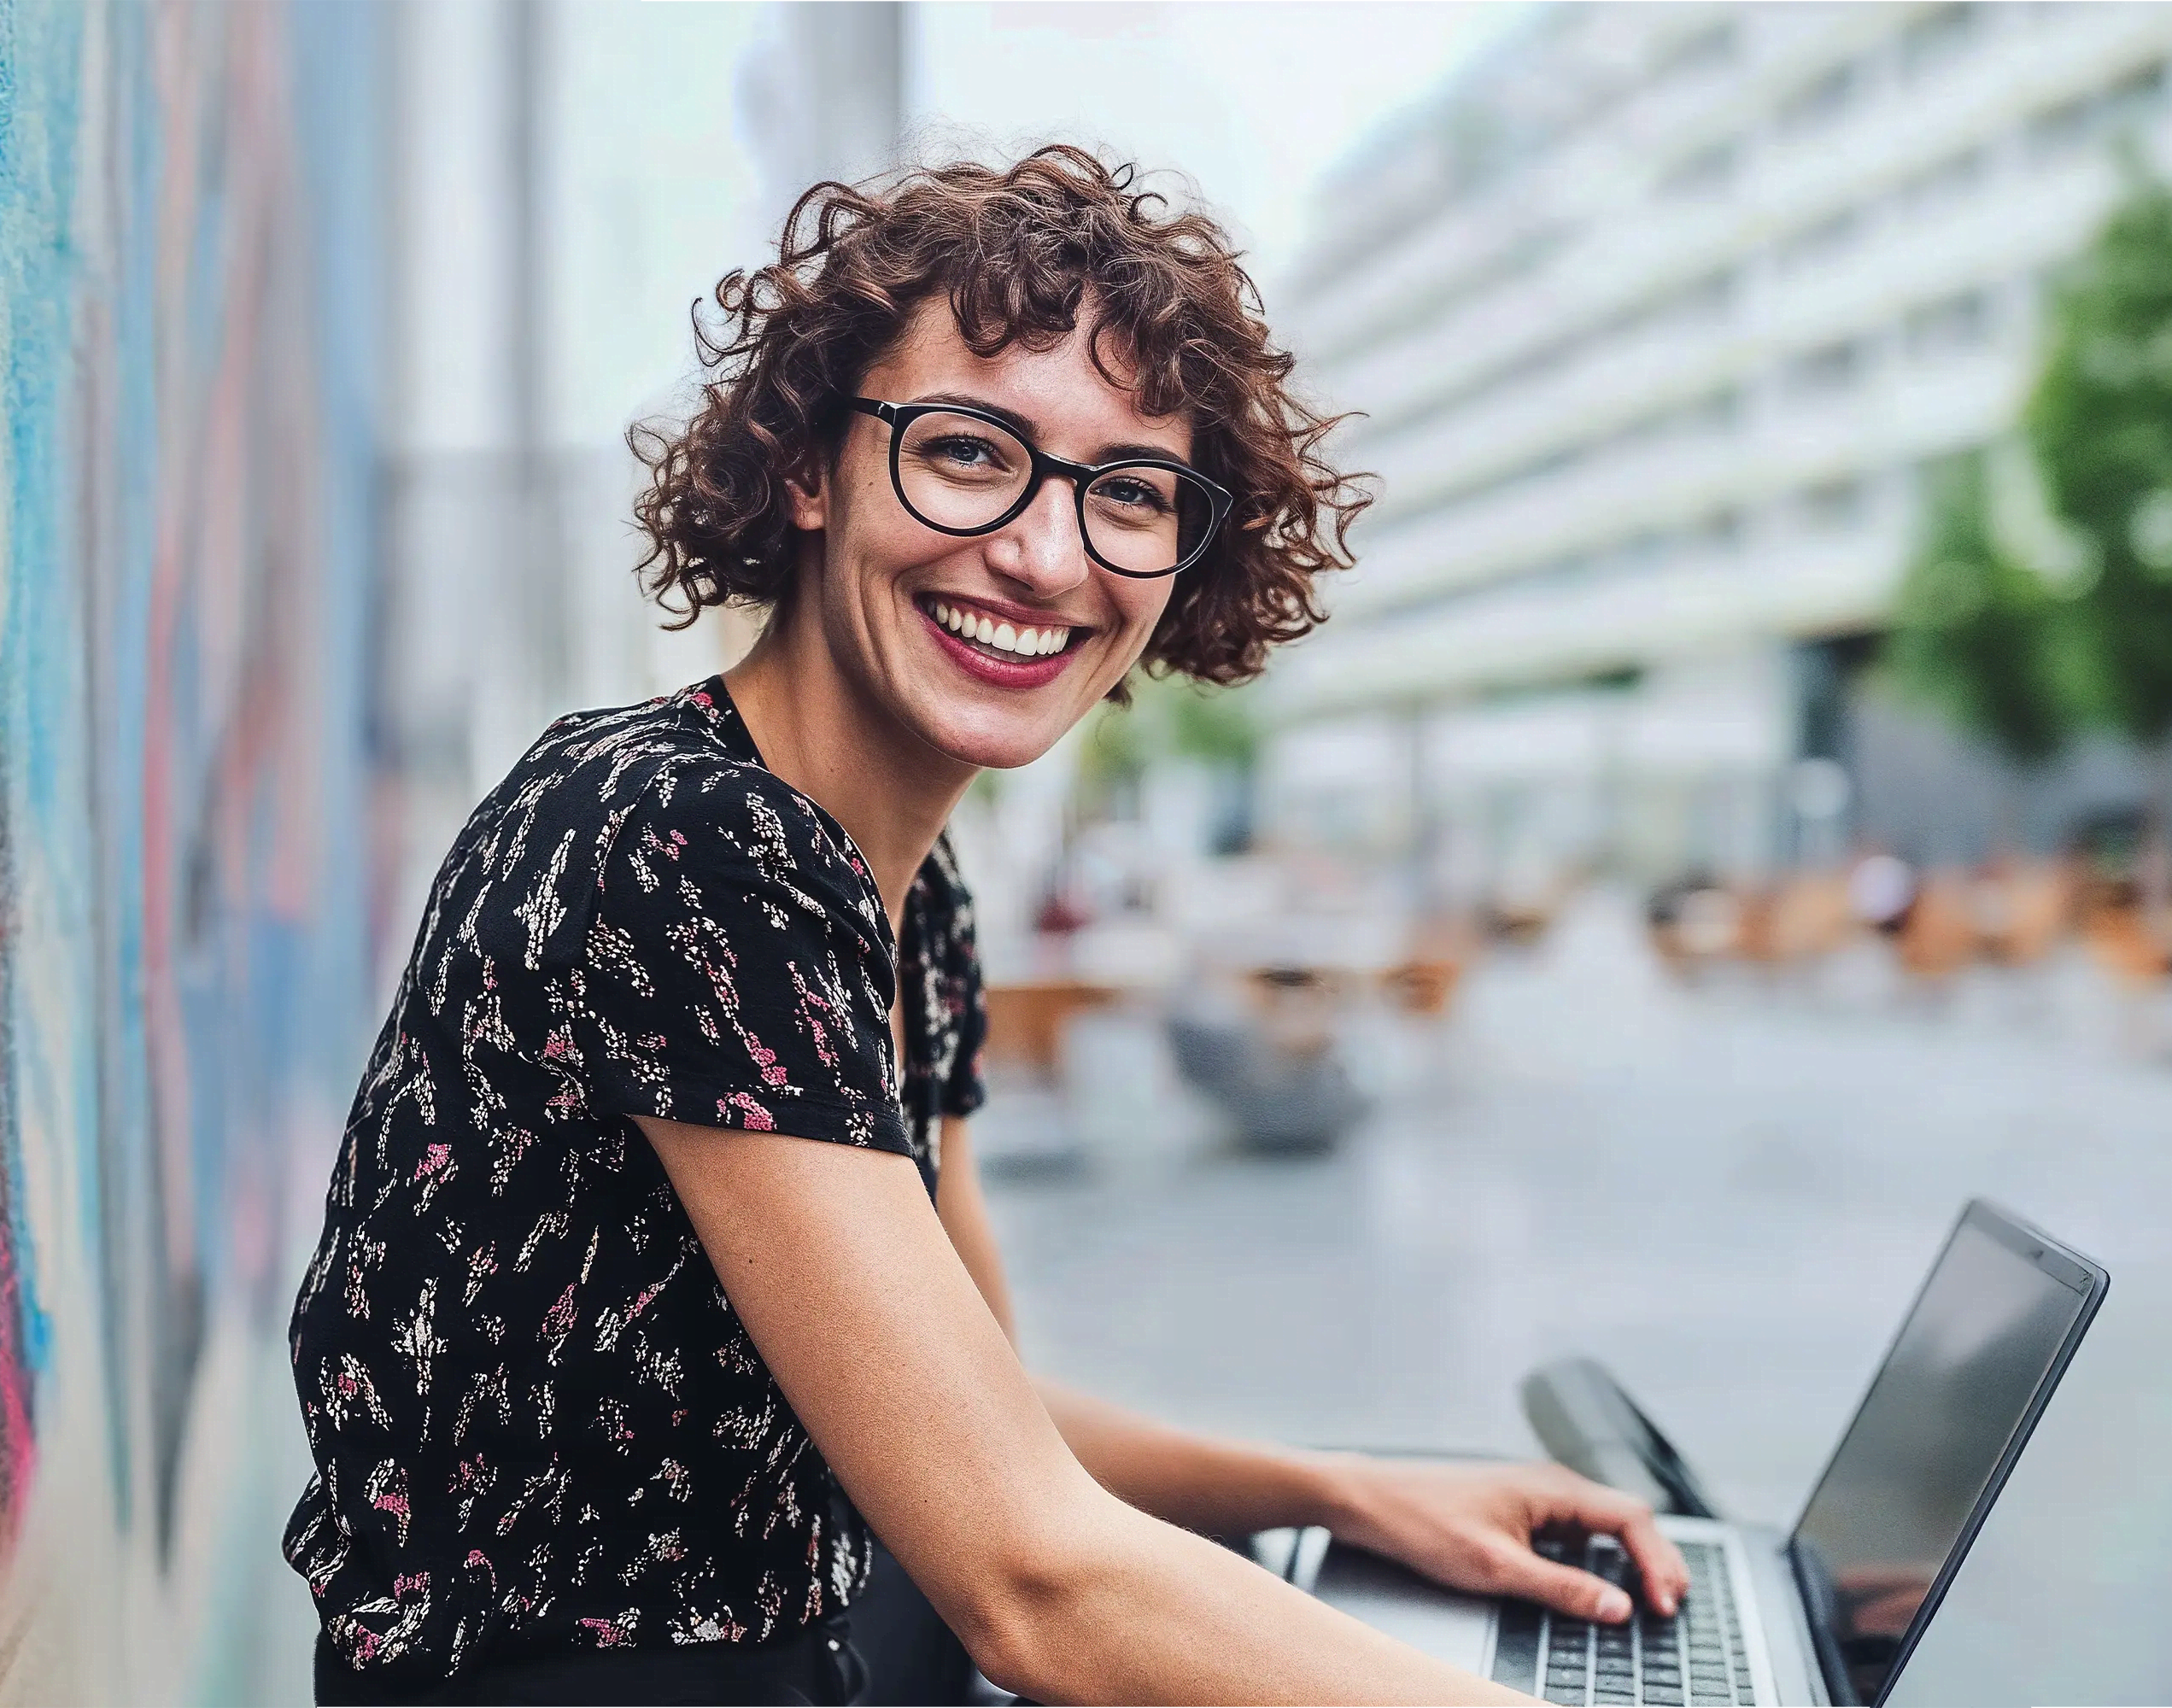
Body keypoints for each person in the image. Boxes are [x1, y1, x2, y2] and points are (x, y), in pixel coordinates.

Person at [284, 148, 1683, 1707]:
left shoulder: (905, 888)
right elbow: (1030, 1583)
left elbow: (981, 1428)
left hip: (827, 1647)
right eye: (967, 452)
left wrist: (1343, 1492)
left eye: (1129, 491)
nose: (1045, 554)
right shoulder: (676, 840)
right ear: (808, 468)